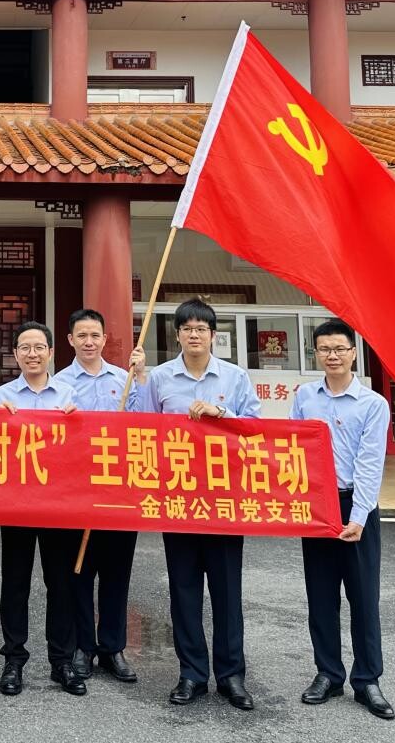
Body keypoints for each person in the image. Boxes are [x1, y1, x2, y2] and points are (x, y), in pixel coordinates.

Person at [131, 298, 259, 711]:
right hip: (179, 500)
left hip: (224, 501)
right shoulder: (161, 378)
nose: (194, 334)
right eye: (187, 328)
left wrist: (221, 413)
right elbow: (145, 430)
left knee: (227, 592)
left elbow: (256, 429)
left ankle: (232, 675)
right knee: (184, 591)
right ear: (177, 335)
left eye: (201, 328)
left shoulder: (235, 377)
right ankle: (191, 673)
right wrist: (137, 380)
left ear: (213, 334)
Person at [291, 318, 394, 720]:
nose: (332, 356)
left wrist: (359, 516)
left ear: (353, 353)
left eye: (339, 349)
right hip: (318, 506)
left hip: (356, 505)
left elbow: (370, 464)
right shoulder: (305, 397)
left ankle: (367, 679)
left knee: (363, 598)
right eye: (324, 349)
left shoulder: (373, 404)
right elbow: (293, 449)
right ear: (315, 353)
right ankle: (328, 674)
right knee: (320, 596)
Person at [0, 321, 86, 698]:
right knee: (15, 583)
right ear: (15, 355)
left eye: (39, 347)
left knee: (60, 584)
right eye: (25, 348)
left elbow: (85, 446)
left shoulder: (70, 394)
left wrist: (77, 421)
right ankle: (14, 659)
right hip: (16, 503)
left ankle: (62, 661)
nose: (32, 354)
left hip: (59, 505)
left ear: (51, 353)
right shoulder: (1, 396)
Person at [57, 308, 140, 685]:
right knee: (78, 572)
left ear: (105, 339)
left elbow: (144, 427)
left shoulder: (125, 380)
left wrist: (142, 379)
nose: (89, 342)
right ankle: (83, 647)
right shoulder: (59, 384)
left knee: (116, 572)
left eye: (95, 335)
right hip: (75, 492)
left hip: (119, 492)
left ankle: (112, 647)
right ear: (70, 340)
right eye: (82, 336)